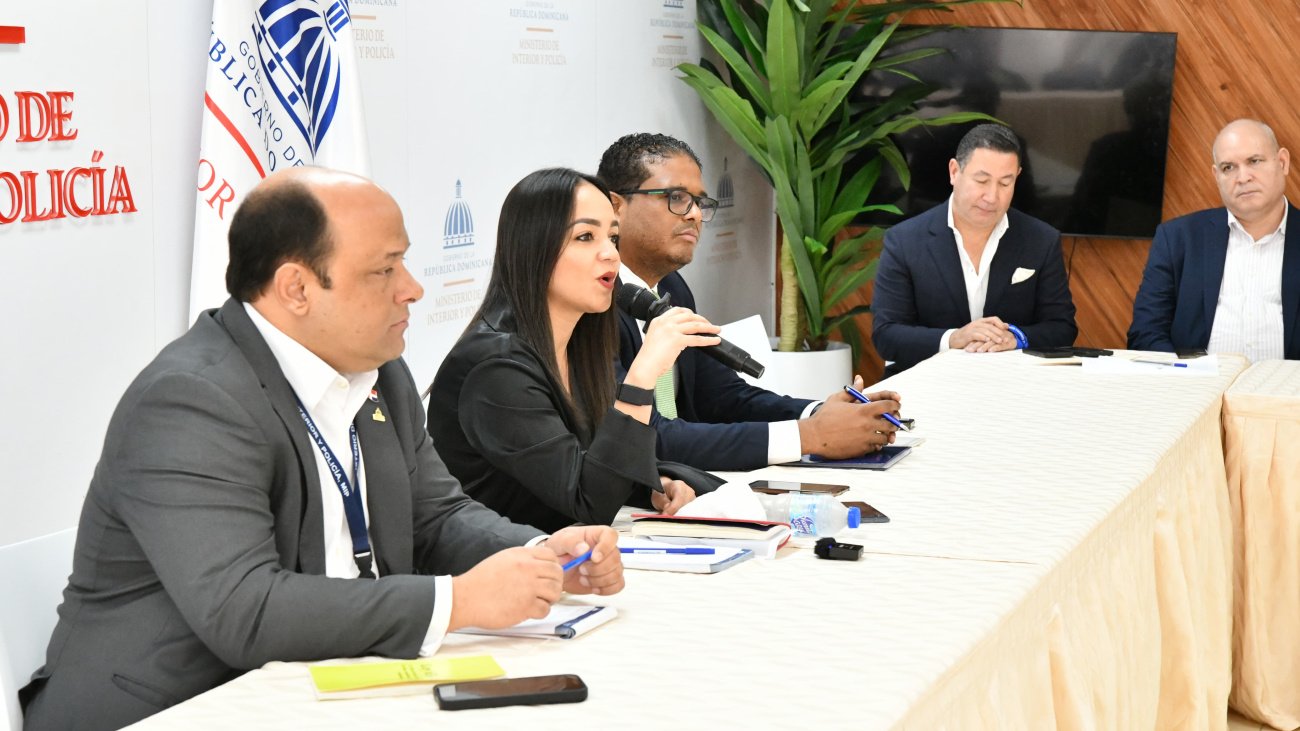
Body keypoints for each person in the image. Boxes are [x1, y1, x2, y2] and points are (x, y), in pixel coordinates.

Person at [20, 168, 624, 731]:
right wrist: (459, 600)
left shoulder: (379, 370)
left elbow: (437, 515)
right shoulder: (191, 399)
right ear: (297, 288)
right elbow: (246, 610)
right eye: (384, 270)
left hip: (331, 683)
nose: (412, 289)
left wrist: (538, 554)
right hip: (177, 706)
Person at [428, 168, 720, 532]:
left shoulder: (582, 343)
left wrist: (652, 486)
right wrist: (643, 375)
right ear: (534, 248)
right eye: (585, 237)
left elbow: (588, 463)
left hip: (567, 551)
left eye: (613, 237)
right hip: (503, 560)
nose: (611, 254)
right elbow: (588, 502)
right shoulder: (494, 367)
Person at [598, 133, 901, 472]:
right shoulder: (593, 303)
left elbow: (722, 396)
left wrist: (821, 413)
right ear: (615, 206)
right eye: (677, 197)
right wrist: (810, 436)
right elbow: (645, 437)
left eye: (699, 202)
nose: (694, 214)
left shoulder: (672, 287)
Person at [871, 123, 1077, 376]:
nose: (992, 196)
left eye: (1005, 183)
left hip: (1012, 383)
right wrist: (954, 338)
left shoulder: (1041, 239)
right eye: (981, 181)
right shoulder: (904, 240)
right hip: (927, 384)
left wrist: (1016, 338)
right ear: (954, 172)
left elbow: (1062, 328)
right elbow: (887, 335)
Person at [1128, 118, 1300, 360]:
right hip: (1197, 382)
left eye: (1254, 161)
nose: (1243, 177)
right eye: (1228, 168)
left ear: (1282, 162)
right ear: (1216, 175)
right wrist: (1186, 375)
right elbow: (1145, 333)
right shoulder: (1178, 238)